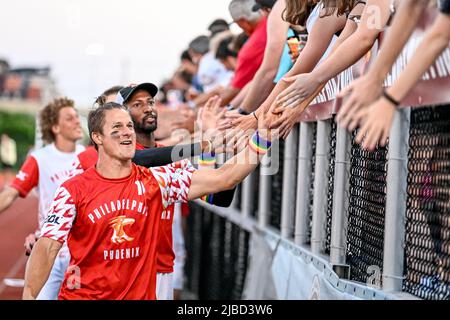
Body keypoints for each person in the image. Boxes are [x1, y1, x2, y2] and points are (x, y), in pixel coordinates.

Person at [23, 101, 276, 300]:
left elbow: (224, 178)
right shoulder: (73, 190)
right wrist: (29, 295)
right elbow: (47, 247)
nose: (126, 133)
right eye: (116, 128)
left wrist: (262, 138)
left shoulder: (158, 181)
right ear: (97, 137)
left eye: (129, 127)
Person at [0, 97, 84, 299]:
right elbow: (11, 192)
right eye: (70, 118)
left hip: (80, 253)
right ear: (55, 127)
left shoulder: (89, 156)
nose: (77, 121)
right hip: (49, 250)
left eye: (76, 116)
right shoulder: (40, 158)